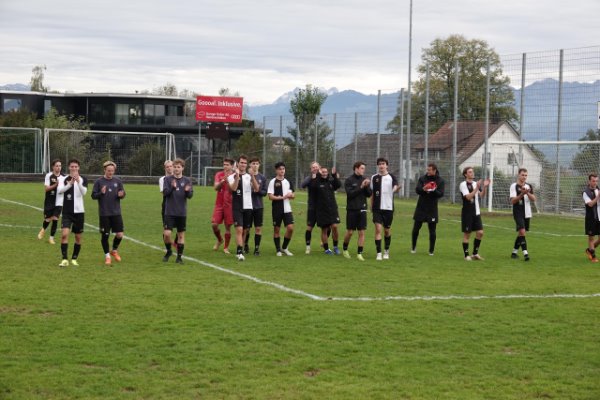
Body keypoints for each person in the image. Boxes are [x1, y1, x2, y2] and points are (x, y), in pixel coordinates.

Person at [91, 161, 126, 266]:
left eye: (112, 171)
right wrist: (101, 193)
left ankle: (114, 250)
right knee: (105, 235)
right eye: (108, 170)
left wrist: (121, 194)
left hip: (116, 212)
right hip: (104, 213)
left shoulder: (118, 181)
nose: (110, 172)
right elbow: (93, 196)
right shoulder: (99, 182)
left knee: (120, 234)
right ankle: (107, 256)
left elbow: (123, 193)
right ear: (104, 170)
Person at [56, 159, 88, 267]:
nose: (74, 168)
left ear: (78, 168)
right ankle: (64, 259)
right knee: (64, 235)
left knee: (78, 237)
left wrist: (78, 181)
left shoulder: (83, 179)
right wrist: (70, 184)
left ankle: (74, 259)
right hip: (67, 212)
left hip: (79, 212)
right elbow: (60, 190)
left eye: (76, 167)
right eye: (72, 167)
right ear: (69, 167)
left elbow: (84, 192)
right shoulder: (64, 179)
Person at [162, 158, 193, 264]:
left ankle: (179, 257)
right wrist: (172, 187)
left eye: (178, 167)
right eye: (174, 167)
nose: (176, 169)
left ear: (183, 168)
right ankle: (169, 251)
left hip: (181, 212)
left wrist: (187, 191)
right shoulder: (168, 179)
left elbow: (190, 196)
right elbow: (165, 193)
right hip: (169, 212)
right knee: (167, 234)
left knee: (180, 235)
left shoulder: (187, 180)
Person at [228, 155, 259, 261]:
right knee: (239, 229)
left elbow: (256, 188)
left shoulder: (249, 176)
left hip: (248, 207)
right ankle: (239, 252)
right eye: (241, 162)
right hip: (237, 207)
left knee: (245, 230)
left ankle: (241, 247)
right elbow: (233, 188)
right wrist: (237, 176)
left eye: (245, 163)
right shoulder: (231, 176)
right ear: (238, 163)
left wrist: (253, 176)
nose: (243, 165)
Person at [411, 163, 445, 256]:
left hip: (432, 209)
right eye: (427, 169)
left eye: (430, 170)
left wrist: (433, 190)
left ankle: (431, 251)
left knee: (432, 230)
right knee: (415, 229)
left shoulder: (440, 180)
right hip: (421, 207)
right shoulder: (422, 179)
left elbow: (441, 194)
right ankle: (413, 247)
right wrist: (424, 188)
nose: (428, 171)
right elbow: (417, 190)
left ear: (434, 170)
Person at [370, 157, 400, 261]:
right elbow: (372, 193)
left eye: (383, 164)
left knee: (387, 230)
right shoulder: (374, 177)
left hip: (388, 208)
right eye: (379, 164)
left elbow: (395, 186)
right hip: (377, 209)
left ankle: (386, 251)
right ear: (378, 166)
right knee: (378, 229)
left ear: (387, 165)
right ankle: (378, 253)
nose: (381, 166)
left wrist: (396, 188)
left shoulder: (391, 177)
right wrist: (371, 205)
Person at [342, 161, 371, 261]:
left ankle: (359, 253)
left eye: (364, 168)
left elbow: (369, 195)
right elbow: (350, 194)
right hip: (352, 209)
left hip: (362, 209)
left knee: (361, 232)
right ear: (356, 168)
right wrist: (361, 187)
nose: (364, 170)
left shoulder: (364, 180)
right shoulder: (349, 180)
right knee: (350, 232)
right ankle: (345, 249)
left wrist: (367, 186)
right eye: (362, 168)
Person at [459, 166, 490, 261]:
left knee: (480, 233)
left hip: (476, 212)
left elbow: (481, 195)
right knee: (467, 234)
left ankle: (475, 254)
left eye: (472, 172)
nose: (472, 173)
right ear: (465, 174)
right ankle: (466, 255)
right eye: (470, 172)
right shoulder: (463, 184)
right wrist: (477, 188)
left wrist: (484, 187)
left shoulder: (475, 183)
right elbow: (468, 197)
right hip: (467, 213)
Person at [311, 165, 341, 255]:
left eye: (325, 172)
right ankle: (327, 249)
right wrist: (317, 175)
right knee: (324, 230)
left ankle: (335, 247)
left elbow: (338, 185)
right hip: (322, 210)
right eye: (322, 172)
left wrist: (334, 175)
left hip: (332, 209)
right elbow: (313, 187)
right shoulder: (317, 182)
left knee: (335, 227)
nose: (324, 173)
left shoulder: (330, 182)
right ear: (320, 173)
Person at [268, 161, 295, 256]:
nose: (282, 171)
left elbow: (293, 195)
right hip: (277, 209)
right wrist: (282, 197)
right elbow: (270, 197)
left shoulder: (288, 181)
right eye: (280, 169)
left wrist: (290, 195)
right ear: (276, 170)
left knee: (290, 228)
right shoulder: (273, 182)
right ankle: (278, 250)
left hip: (287, 209)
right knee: (277, 229)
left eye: (283, 169)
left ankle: (284, 247)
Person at [510, 168, 536, 261]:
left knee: (521, 233)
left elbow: (533, 199)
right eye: (522, 175)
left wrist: (527, 193)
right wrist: (521, 194)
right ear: (518, 175)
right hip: (518, 212)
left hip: (527, 213)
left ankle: (514, 252)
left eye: (525, 175)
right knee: (522, 232)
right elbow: (513, 201)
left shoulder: (529, 186)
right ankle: (526, 254)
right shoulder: (514, 186)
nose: (524, 177)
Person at [245, 157, 268, 255]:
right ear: (250, 165)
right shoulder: (245, 176)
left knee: (258, 228)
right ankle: (245, 244)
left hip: (258, 206)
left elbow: (264, 193)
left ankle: (257, 248)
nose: (255, 165)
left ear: (259, 165)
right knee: (247, 228)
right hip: (247, 206)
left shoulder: (262, 178)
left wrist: (257, 191)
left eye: (257, 163)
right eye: (253, 163)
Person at [211, 158, 234, 254]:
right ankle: (220, 240)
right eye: (224, 164)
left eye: (227, 165)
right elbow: (215, 188)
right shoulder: (219, 175)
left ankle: (226, 247)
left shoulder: (235, 176)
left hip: (230, 204)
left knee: (228, 227)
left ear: (232, 166)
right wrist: (222, 181)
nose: (225, 166)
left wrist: (229, 180)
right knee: (214, 224)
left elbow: (233, 189)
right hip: (219, 204)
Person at [38, 158, 63, 244]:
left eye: (60, 166)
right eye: (57, 166)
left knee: (55, 219)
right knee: (48, 219)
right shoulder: (49, 176)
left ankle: (51, 238)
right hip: (49, 201)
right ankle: (43, 229)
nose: (58, 167)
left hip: (59, 202)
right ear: (53, 167)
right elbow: (46, 189)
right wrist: (56, 184)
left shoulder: (63, 177)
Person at [300, 161, 321, 254]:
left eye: (316, 167)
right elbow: (302, 185)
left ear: (319, 167)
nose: (315, 168)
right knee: (309, 227)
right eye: (313, 167)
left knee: (327, 227)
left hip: (322, 208)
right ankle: (308, 247)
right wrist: (312, 178)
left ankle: (324, 243)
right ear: (311, 169)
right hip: (312, 207)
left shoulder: (323, 178)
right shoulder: (309, 178)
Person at [159, 160, 177, 251]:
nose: (169, 168)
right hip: (167, 204)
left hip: (177, 205)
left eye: (171, 166)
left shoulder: (178, 177)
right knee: (166, 228)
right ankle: (168, 248)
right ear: (165, 168)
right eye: (167, 167)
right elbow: (164, 193)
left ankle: (176, 243)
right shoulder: (162, 179)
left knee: (180, 227)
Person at [583, 173, 600, 263]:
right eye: (593, 181)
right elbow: (590, 204)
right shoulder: (586, 192)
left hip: (599, 217)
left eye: (596, 181)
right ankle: (593, 256)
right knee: (591, 237)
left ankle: (590, 249)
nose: (595, 183)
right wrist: (598, 196)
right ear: (589, 181)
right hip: (591, 218)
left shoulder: (598, 189)